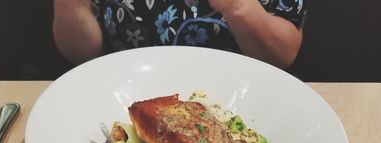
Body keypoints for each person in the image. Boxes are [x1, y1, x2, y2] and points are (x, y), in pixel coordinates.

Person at [53, 0, 306, 69]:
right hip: (125, 94)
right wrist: (71, 6)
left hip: (239, 100)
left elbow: (283, 55)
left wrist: (239, 7)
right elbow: (80, 56)